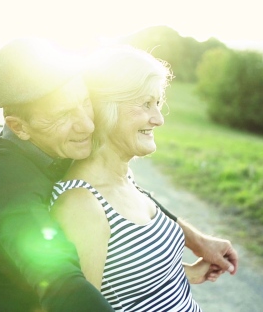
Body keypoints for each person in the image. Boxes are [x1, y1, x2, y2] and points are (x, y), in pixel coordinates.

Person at [0, 38, 238, 312]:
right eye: (63, 116)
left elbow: (128, 197)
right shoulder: (2, 175)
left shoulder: (67, 150)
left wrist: (197, 244)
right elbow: (60, 280)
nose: (87, 125)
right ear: (20, 127)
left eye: (86, 103)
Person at [51, 45, 217, 311]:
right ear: (107, 108)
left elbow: (127, 280)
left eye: (158, 104)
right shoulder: (82, 204)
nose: (159, 119)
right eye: (146, 104)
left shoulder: (123, 178)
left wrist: (191, 273)